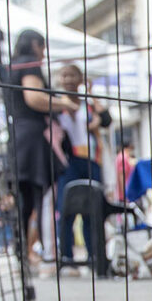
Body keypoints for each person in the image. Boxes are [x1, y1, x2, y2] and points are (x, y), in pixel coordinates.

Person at [4, 29, 79, 266]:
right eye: (43, 47)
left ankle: (23, 253)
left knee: (25, 200)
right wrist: (64, 103)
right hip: (34, 137)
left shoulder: (8, 67)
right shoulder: (28, 63)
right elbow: (34, 98)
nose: (44, 54)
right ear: (35, 45)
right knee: (43, 198)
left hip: (17, 135)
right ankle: (47, 254)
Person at [54, 64, 112, 272]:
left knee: (92, 210)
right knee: (66, 209)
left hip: (91, 160)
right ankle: (68, 258)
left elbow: (106, 120)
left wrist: (90, 94)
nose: (68, 79)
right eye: (64, 75)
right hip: (68, 161)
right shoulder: (56, 103)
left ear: (80, 79)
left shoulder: (87, 104)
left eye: (72, 75)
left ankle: (94, 256)